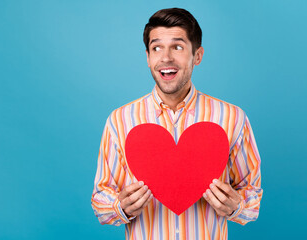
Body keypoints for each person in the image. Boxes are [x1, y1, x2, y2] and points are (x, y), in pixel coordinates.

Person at [91, 8, 262, 240]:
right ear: (148, 58)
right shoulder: (120, 121)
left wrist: (237, 206)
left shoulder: (232, 118)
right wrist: (119, 207)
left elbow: (251, 197)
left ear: (197, 55)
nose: (166, 58)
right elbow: (101, 198)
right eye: (157, 47)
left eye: (178, 47)